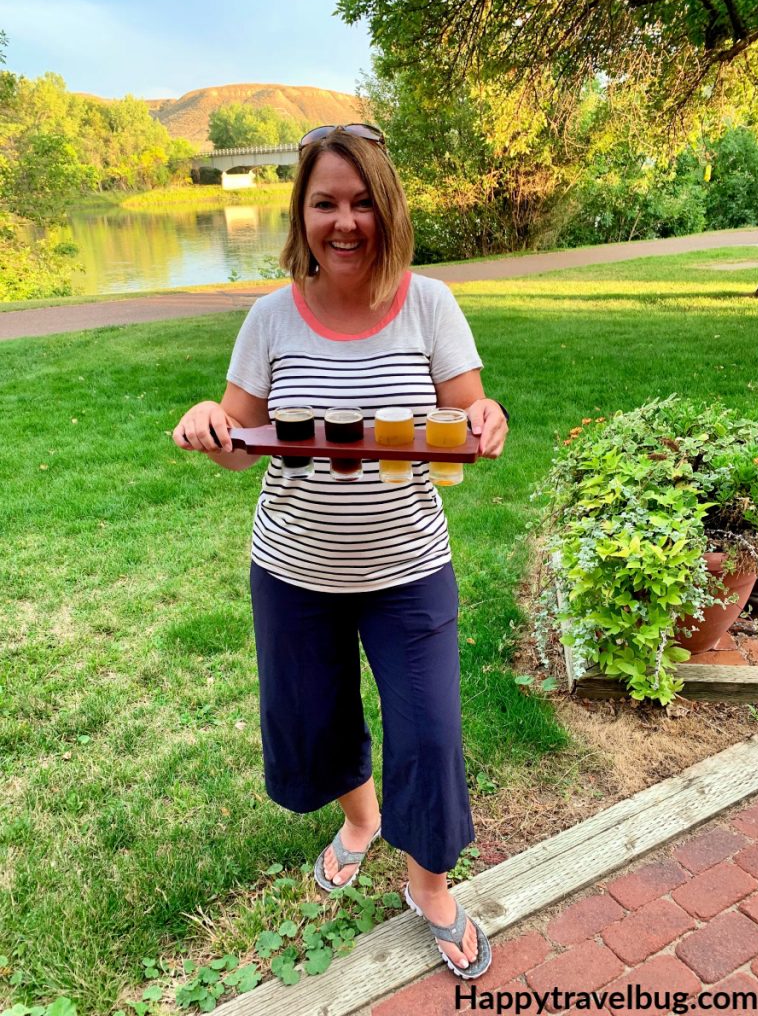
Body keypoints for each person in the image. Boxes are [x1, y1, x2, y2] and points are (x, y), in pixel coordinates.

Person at [172, 123, 508, 979]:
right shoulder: (270, 316)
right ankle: (360, 821)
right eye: (326, 202)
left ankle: (427, 882)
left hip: (409, 572)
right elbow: (242, 436)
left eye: (362, 202)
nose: (345, 221)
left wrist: (485, 418)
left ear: (386, 208)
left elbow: (468, 412)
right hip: (294, 572)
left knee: (429, 735)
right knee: (318, 723)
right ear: (303, 213)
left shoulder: (429, 303)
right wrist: (213, 432)